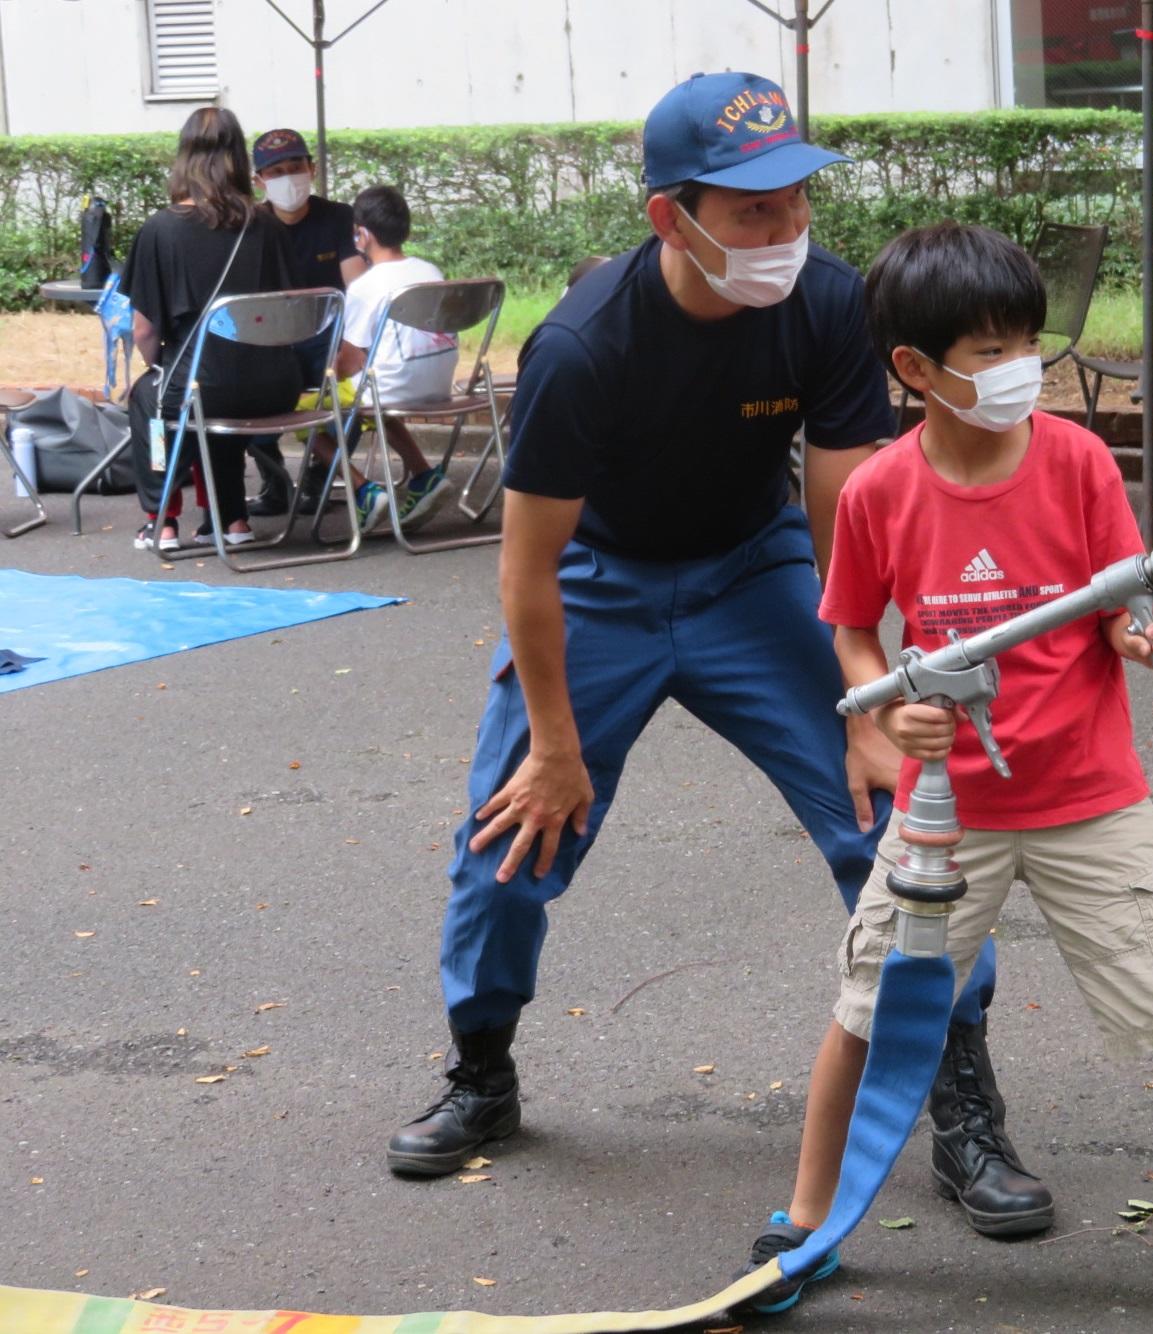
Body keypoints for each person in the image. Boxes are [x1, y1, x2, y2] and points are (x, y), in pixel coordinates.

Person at [385, 73, 1052, 1240]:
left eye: (796, 200)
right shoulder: (583, 347)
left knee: (894, 816)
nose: (784, 231)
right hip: (599, 586)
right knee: (511, 830)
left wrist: (864, 691)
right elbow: (525, 569)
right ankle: (480, 1068)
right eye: (751, 211)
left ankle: (962, 1100)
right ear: (670, 217)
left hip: (757, 572)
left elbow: (850, 508)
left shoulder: (831, 305)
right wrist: (551, 745)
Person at [741, 223, 1153, 1334]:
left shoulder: (1072, 460)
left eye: (1026, 339)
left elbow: (1121, 606)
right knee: (864, 1014)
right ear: (914, 369)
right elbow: (852, 634)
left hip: (1087, 797)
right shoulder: (877, 489)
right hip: (944, 812)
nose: (1017, 364)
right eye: (988, 347)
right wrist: (885, 711)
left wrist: (1146, 630)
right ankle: (803, 1225)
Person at [123, 107, 301, 553]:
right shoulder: (266, 224)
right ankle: (232, 518)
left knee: (156, 398)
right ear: (239, 159)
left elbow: (144, 330)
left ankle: (161, 520)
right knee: (211, 391)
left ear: (184, 157)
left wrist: (159, 366)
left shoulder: (160, 230)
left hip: (203, 386)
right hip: (277, 387)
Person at [296, 184, 458, 534]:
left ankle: (364, 490)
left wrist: (323, 376)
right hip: (439, 382)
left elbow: (351, 360)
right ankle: (423, 475)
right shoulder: (430, 271)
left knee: (303, 413)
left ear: (363, 235)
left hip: (390, 387)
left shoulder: (366, 286)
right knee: (375, 390)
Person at [246, 127, 366, 517]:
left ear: (312, 169)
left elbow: (358, 285)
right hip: (268, 345)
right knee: (236, 386)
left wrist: (351, 338)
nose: (287, 178)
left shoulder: (337, 218)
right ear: (258, 180)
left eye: (295, 167)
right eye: (276, 171)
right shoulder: (250, 226)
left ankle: (320, 474)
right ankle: (273, 479)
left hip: (325, 343)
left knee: (354, 392)